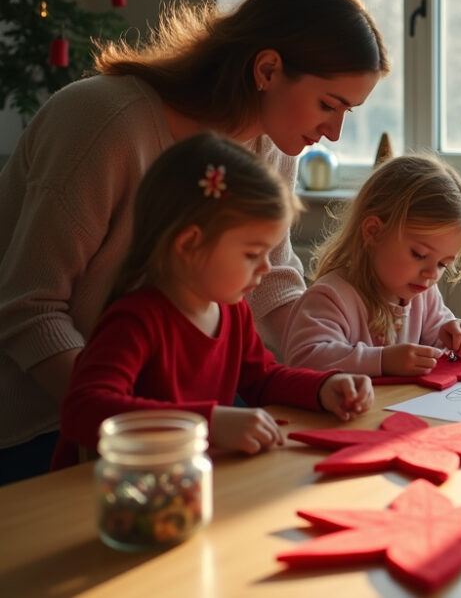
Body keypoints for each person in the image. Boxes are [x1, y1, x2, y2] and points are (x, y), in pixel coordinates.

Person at [0, 0, 388, 484]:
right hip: (47, 428)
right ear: (268, 68)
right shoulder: (103, 123)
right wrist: (160, 422)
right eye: (328, 105)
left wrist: (332, 369)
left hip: (171, 422)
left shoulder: (270, 142)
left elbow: (271, 279)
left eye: (348, 112)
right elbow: (29, 310)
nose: (334, 134)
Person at [54, 133, 374, 470]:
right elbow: (84, 410)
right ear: (190, 243)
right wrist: (208, 424)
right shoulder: (135, 320)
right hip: (109, 494)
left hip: (181, 483)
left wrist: (324, 387)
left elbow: (261, 379)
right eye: (252, 254)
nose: (266, 267)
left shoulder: (232, 311)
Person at [281, 155, 461, 376]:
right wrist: (382, 360)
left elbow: (439, 338)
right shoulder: (331, 296)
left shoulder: (423, 294)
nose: (431, 274)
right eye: (419, 255)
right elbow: (304, 358)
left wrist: (455, 334)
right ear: (374, 232)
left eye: (442, 264)